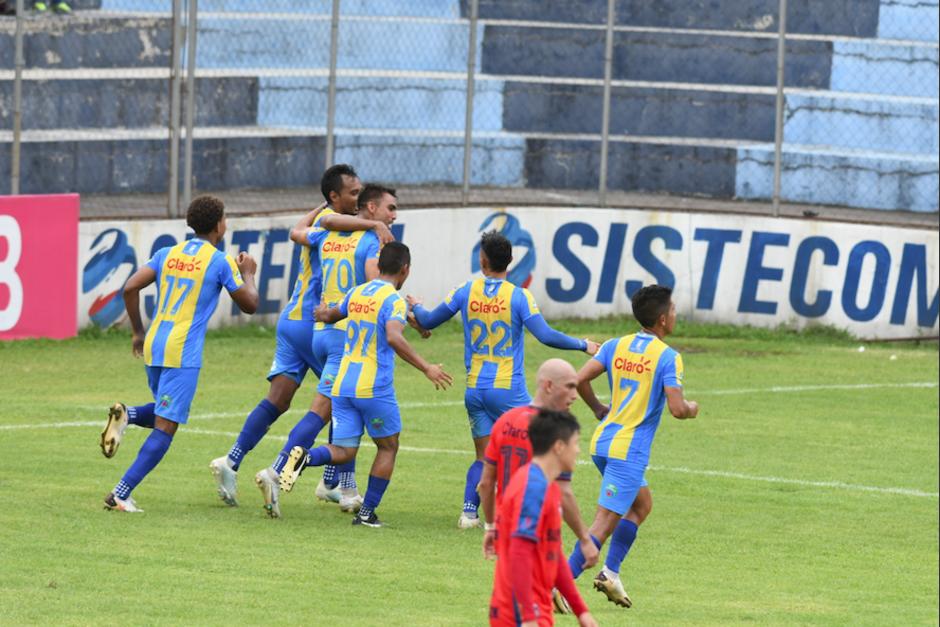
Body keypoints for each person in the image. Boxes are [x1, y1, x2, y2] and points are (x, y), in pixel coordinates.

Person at [209, 165, 390, 509]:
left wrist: (324, 207)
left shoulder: (322, 225)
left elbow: (298, 230)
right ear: (334, 197)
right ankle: (326, 481)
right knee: (339, 404)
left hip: (290, 321)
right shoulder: (350, 233)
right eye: (353, 193)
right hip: (319, 323)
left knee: (277, 400)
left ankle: (231, 461)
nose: (359, 198)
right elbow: (332, 225)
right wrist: (372, 223)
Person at [408, 230, 599, 528]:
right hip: (507, 389)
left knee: (484, 455)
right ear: (510, 262)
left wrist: (416, 305)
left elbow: (429, 320)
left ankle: (470, 513)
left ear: (482, 260)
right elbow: (545, 335)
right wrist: (582, 344)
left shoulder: (465, 290)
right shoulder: (518, 296)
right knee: (539, 447)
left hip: (475, 389)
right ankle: (534, 510)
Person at [99, 195, 259, 512]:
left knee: (163, 410)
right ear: (218, 225)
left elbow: (130, 287)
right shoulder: (220, 261)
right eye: (225, 219)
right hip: (182, 350)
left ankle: (128, 415)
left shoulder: (167, 253)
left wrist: (137, 331)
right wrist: (249, 272)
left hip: (155, 343)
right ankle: (121, 493)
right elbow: (251, 305)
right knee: (166, 426)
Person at [280, 242, 452, 527]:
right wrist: (427, 368)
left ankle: (305, 457)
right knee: (388, 446)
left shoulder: (358, 291)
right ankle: (366, 512)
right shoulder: (393, 299)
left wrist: (321, 313)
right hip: (373, 387)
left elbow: (331, 315)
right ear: (405, 269)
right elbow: (393, 337)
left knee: (345, 450)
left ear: (380, 264)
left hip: (343, 384)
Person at [253, 182, 398, 519]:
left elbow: (301, 231)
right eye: (390, 209)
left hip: (321, 331)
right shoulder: (370, 242)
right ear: (371, 208)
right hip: (346, 338)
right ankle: (276, 472)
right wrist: (409, 313)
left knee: (346, 410)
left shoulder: (327, 234)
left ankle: (346, 490)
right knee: (322, 411)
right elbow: (377, 289)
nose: (393, 215)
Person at [567, 284, 699, 608]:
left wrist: (600, 409)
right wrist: (693, 408)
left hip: (603, 444)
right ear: (664, 319)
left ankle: (610, 573)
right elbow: (678, 409)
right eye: (673, 310)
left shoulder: (616, 345)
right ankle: (557, 586)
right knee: (601, 526)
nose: (676, 314)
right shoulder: (669, 357)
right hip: (629, 453)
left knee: (641, 506)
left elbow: (579, 379)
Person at [478, 358, 599, 613]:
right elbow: (564, 493)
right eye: (569, 387)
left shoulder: (505, 421)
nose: (575, 396)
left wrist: (491, 525)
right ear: (547, 386)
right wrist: (585, 539)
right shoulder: (554, 433)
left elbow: (486, 483)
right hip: (538, 533)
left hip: (510, 531)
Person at [489, 409, 597, 627]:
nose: (577, 451)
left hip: (538, 609)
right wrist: (528, 617)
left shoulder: (549, 487)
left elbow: (553, 554)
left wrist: (581, 611)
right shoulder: (532, 488)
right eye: (575, 443)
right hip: (518, 614)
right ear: (558, 447)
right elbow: (519, 551)